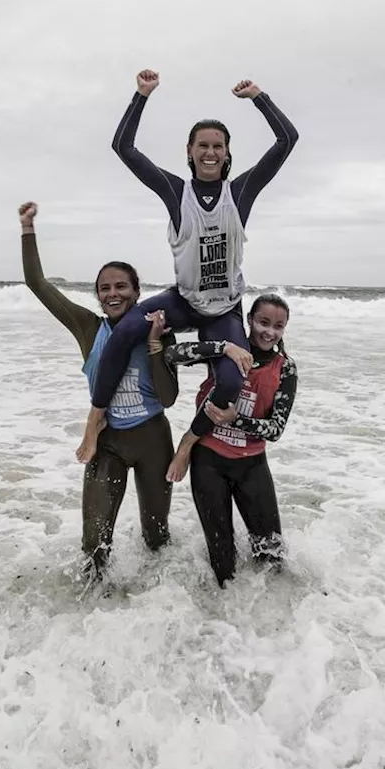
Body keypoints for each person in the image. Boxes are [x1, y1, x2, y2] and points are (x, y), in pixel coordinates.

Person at [76, 68, 299, 471]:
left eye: (218, 146)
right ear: (190, 150)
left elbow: (287, 141)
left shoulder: (241, 192)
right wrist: (141, 95)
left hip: (224, 311)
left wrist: (259, 97)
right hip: (184, 301)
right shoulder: (176, 192)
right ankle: (96, 415)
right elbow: (123, 147)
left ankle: (188, 442)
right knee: (124, 331)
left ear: (228, 153)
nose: (210, 152)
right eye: (202, 145)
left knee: (231, 383)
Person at [19, 201, 252, 581]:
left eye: (121, 287)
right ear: (97, 295)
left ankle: (155, 611)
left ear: (136, 292)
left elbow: (168, 399)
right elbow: (38, 285)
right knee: (94, 544)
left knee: (157, 538)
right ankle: (91, 618)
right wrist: (27, 229)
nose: (113, 294)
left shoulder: (156, 330)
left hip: (153, 442)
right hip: (107, 441)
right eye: (105, 288)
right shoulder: (88, 328)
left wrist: (157, 346)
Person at [162, 294, 298, 587]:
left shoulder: (284, 367)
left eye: (278, 326)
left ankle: (277, 617)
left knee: (271, 554)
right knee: (222, 559)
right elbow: (172, 354)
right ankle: (222, 618)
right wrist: (223, 347)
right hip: (208, 461)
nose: (269, 332)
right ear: (249, 320)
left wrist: (234, 419)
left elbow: (275, 430)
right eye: (263, 322)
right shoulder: (229, 354)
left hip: (251, 465)